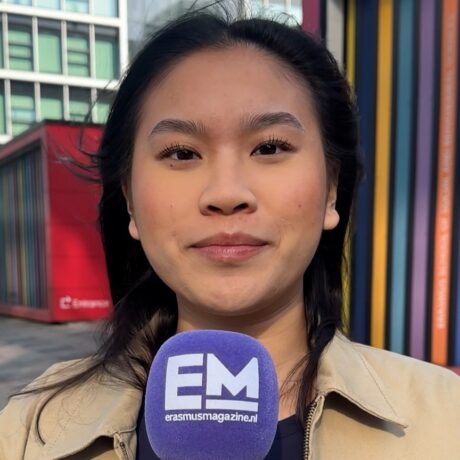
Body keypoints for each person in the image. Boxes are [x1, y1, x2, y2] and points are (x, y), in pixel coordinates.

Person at [1, 4, 459, 460]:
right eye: (181, 153)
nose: (225, 193)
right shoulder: (28, 431)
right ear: (130, 200)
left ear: (331, 189)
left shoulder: (445, 418)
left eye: (270, 147)